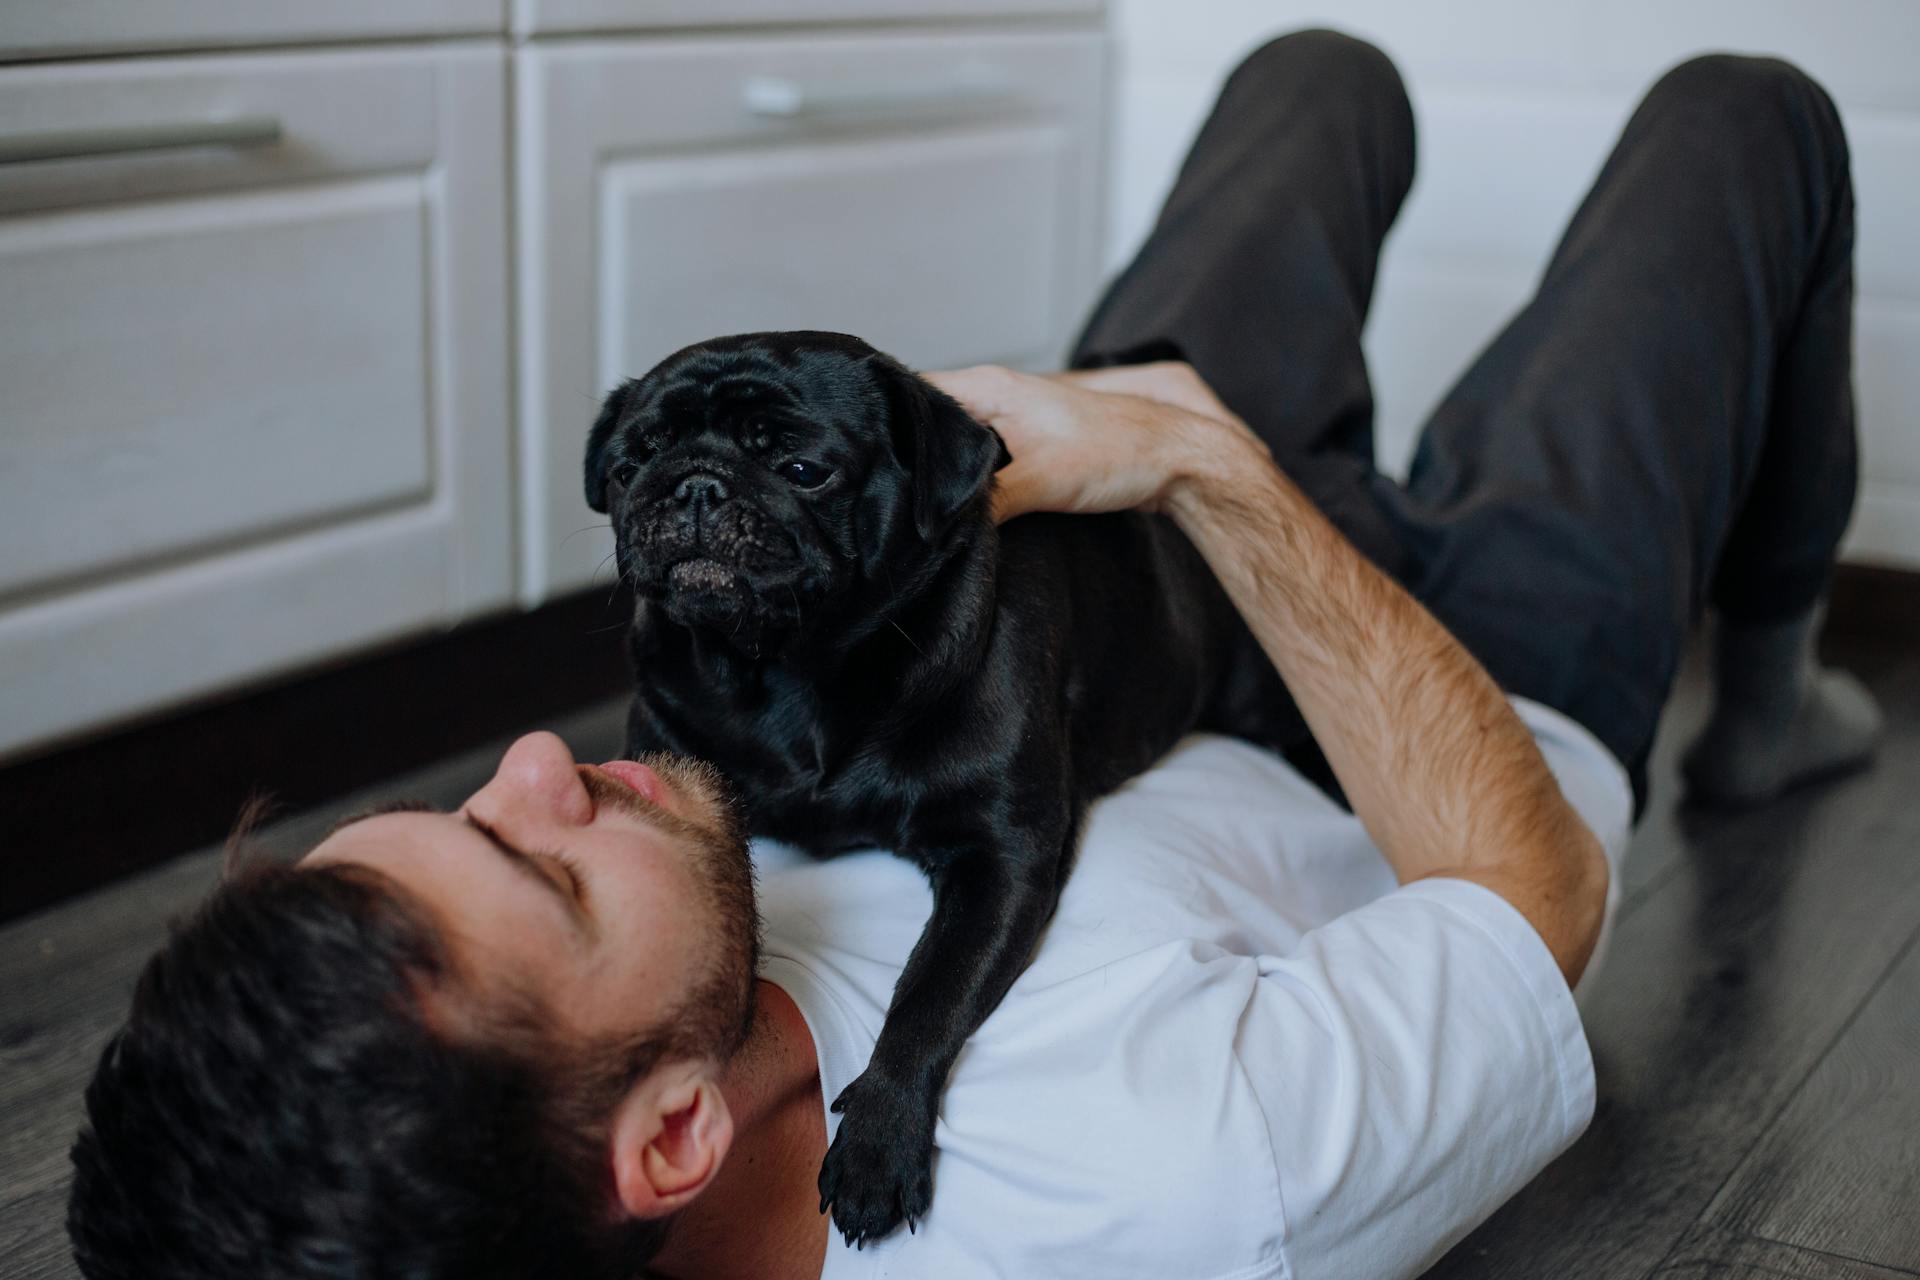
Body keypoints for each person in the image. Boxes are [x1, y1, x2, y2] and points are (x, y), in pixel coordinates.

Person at [66, 30, 1881, 1280]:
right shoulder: (1177, 1189)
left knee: (1317, 80)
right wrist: (1209, 468)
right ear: (673, 1140)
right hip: (1468, 685)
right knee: (1752, 115)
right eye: (532, 859)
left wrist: (1087, 469)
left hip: (1106, 554)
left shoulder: (671, 892)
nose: (541, 764)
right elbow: (1534, 903)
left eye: (466, 800)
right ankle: (1774, 687)